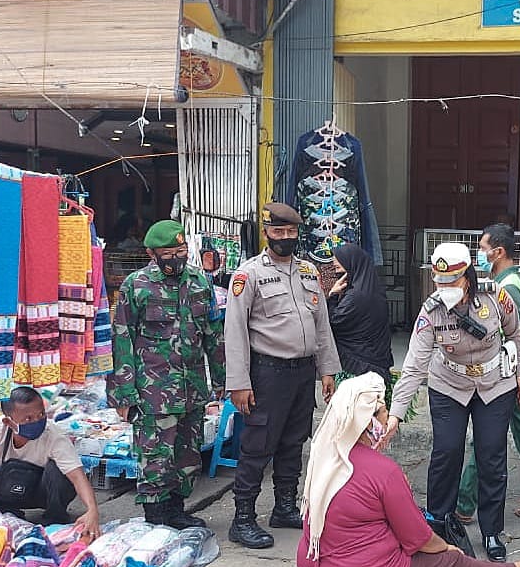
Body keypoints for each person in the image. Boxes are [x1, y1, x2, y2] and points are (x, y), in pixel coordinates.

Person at [296, 373, 520, 567]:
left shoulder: (325, 456)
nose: (386, 422)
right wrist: (447, 549)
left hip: (314, 565)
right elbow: (419, 539)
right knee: (454, 564)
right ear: (366, 422)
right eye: (382, 415)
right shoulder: (383, 471)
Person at [382, 242, 520, 562]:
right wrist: (395, 415)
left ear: (467, 276)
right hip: (449, 384)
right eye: (440, 281)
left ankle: (491, 531)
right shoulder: (431, 311)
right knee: (447, 451)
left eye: (452, 281)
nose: (445, 288)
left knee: (491, 454)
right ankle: (438, 524)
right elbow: (413, 366)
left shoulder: (496, 297)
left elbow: (516, 332)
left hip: (494, 385)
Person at [224, 201, 342, 549]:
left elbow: (322, 326)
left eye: (291, 232)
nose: (285, 238)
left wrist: (327, 370)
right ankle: (243, 518)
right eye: (278, 232)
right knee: (258, 445)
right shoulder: (249, 275)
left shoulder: (308, 271)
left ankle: (285, 507)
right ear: (266, 233)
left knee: (294, 442)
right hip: (267, 372)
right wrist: (239, 382)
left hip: (303, 372)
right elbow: (235, 331)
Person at [109, 219, 225, 529]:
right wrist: (124, 393)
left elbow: (213, 335)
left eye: (182, 250)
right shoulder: (136, 286)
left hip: (193, 388)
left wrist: (222, 379)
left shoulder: (201, 283)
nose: (177, 257)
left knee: (187, 456)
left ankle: (177, 511)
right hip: (153, 391)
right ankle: (156, 519)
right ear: (151, 253)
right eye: (169, 252)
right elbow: (122, 339)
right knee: (156, 458)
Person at [456, 223, 520, 527]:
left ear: (498, 252)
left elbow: (519, 333)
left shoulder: (507, 287)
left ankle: (463, 504)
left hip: (508, 375)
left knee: (486, 440)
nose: (480, 254)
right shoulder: (510, 279)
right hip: (517, 374)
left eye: (483, 249)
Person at [0, 386, 101, 540]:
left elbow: (78, 476)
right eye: (28, 419)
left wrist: (92, 510)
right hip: (9, 487)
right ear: (9, 422)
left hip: (43, 491)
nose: (37, 421)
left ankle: (55, 517)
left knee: (58, 469)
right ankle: (7, 514)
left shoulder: (54, 435)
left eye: (40, 415)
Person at [325, 243, 394, 400]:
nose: (334, 261)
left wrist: (333, 295)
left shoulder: (356, 296)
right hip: (375, 363)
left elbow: (332, 322)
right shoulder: (374, 290)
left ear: (352, 262)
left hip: (357, 367)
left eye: (339, 259)